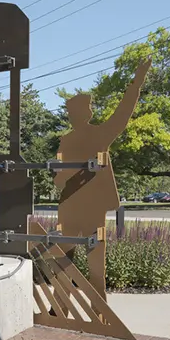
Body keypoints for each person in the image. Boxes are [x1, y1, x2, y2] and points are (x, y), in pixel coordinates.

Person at [54, 60, 150, 299]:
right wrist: (60, 174)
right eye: (69, 112)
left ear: (87, 113)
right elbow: (58, 177)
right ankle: (61, 304)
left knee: (95, 257)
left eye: (74, 111)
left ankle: (100, 307)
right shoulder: (65, 141)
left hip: (92, 207)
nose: (72, 116)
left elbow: (122, 114)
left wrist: (136, 83)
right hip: (69, 205)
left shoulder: (100, 135)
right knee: (64, 256)